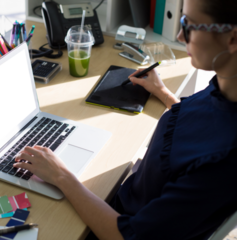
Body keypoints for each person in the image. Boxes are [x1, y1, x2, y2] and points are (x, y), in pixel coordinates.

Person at [13, 0, 237, 239]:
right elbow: (205, 126)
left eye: (189, 25)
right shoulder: (225, 88)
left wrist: (62, 176)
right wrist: (162, 93)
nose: (181, 36)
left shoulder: (223, 163)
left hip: (117, 224)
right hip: (127, 196)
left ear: (232, 39)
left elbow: (126, 236)